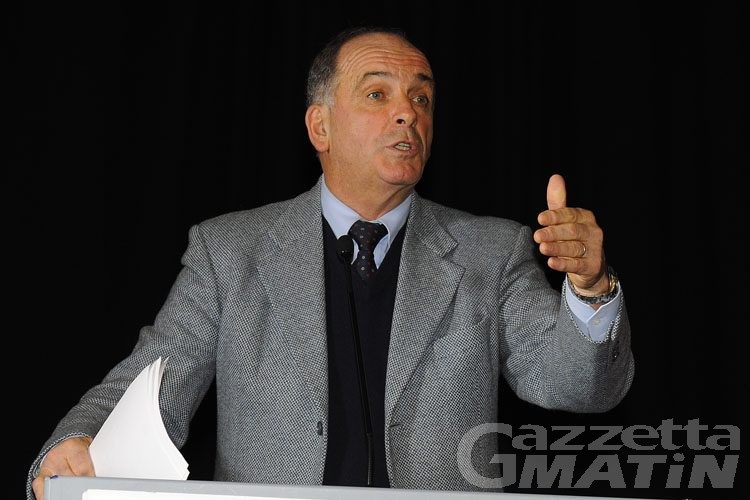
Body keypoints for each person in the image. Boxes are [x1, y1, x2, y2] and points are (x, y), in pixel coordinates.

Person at [28, 26, 633, 499]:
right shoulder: (229, 251)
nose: (408, 113)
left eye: (421, 97)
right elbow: (154, 385)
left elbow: (578, 388)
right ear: (320, 125)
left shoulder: (492, 252)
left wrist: (590, 285)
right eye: (377, 94)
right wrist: (75, 444)